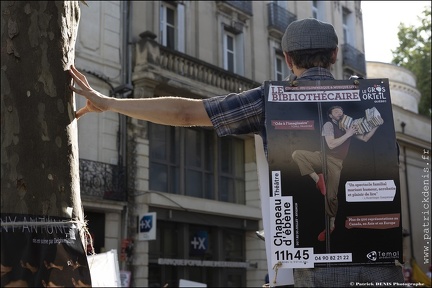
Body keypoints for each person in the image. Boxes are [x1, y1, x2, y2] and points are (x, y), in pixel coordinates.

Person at [70, 18, 404, 287]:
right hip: (384, 267)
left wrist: (110, 101)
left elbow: (186, 113)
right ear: (334, 55)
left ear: (287, 59)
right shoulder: (371, 95)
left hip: (317, 272)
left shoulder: (269, 100)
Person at [291, 106, 382, 241]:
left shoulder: (348, 127)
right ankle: (317, 179)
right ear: (331, 115)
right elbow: (331, 144)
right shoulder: (328, 125)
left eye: (341, 110)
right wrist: (349, 134)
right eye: (336, 111)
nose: (340, 112)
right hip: (323, 156)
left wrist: (377, 124)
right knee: (297, 154)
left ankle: (331, 225)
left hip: (336, 163)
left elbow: (365, 138)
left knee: (331, 196)